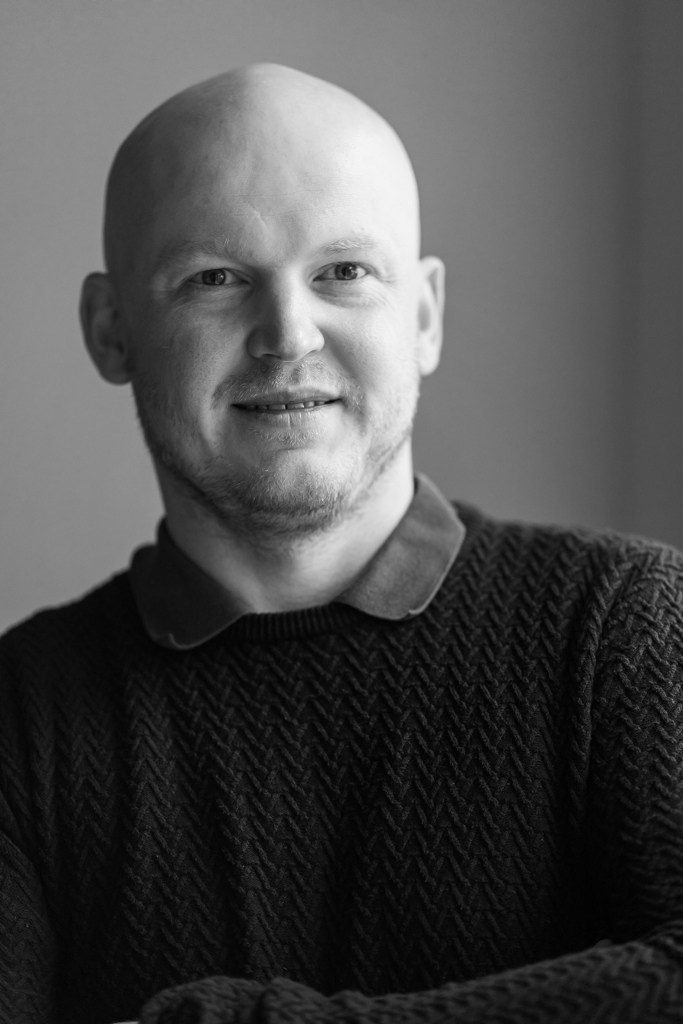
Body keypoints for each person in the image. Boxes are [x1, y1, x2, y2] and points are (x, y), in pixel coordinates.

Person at [1, 62, 682, 1024]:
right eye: (215, 278)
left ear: (423, 316)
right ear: (112, 331)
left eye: (344, 273)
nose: (287, 335)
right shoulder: (19, 717)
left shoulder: (624, 627)